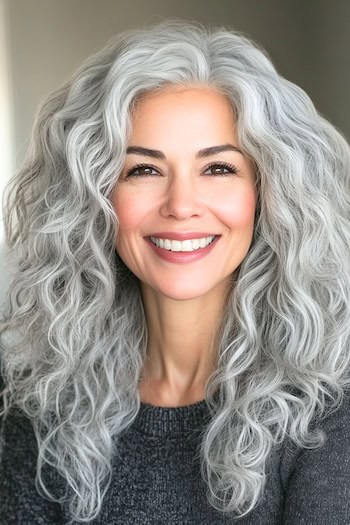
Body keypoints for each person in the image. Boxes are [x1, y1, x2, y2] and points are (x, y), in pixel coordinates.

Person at [0, 18, 350, 525]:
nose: (181, 205)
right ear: (94, 198)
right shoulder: (41, 401)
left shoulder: (332, 410)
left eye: (218, 168)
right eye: (143, 169)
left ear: (269, 192)